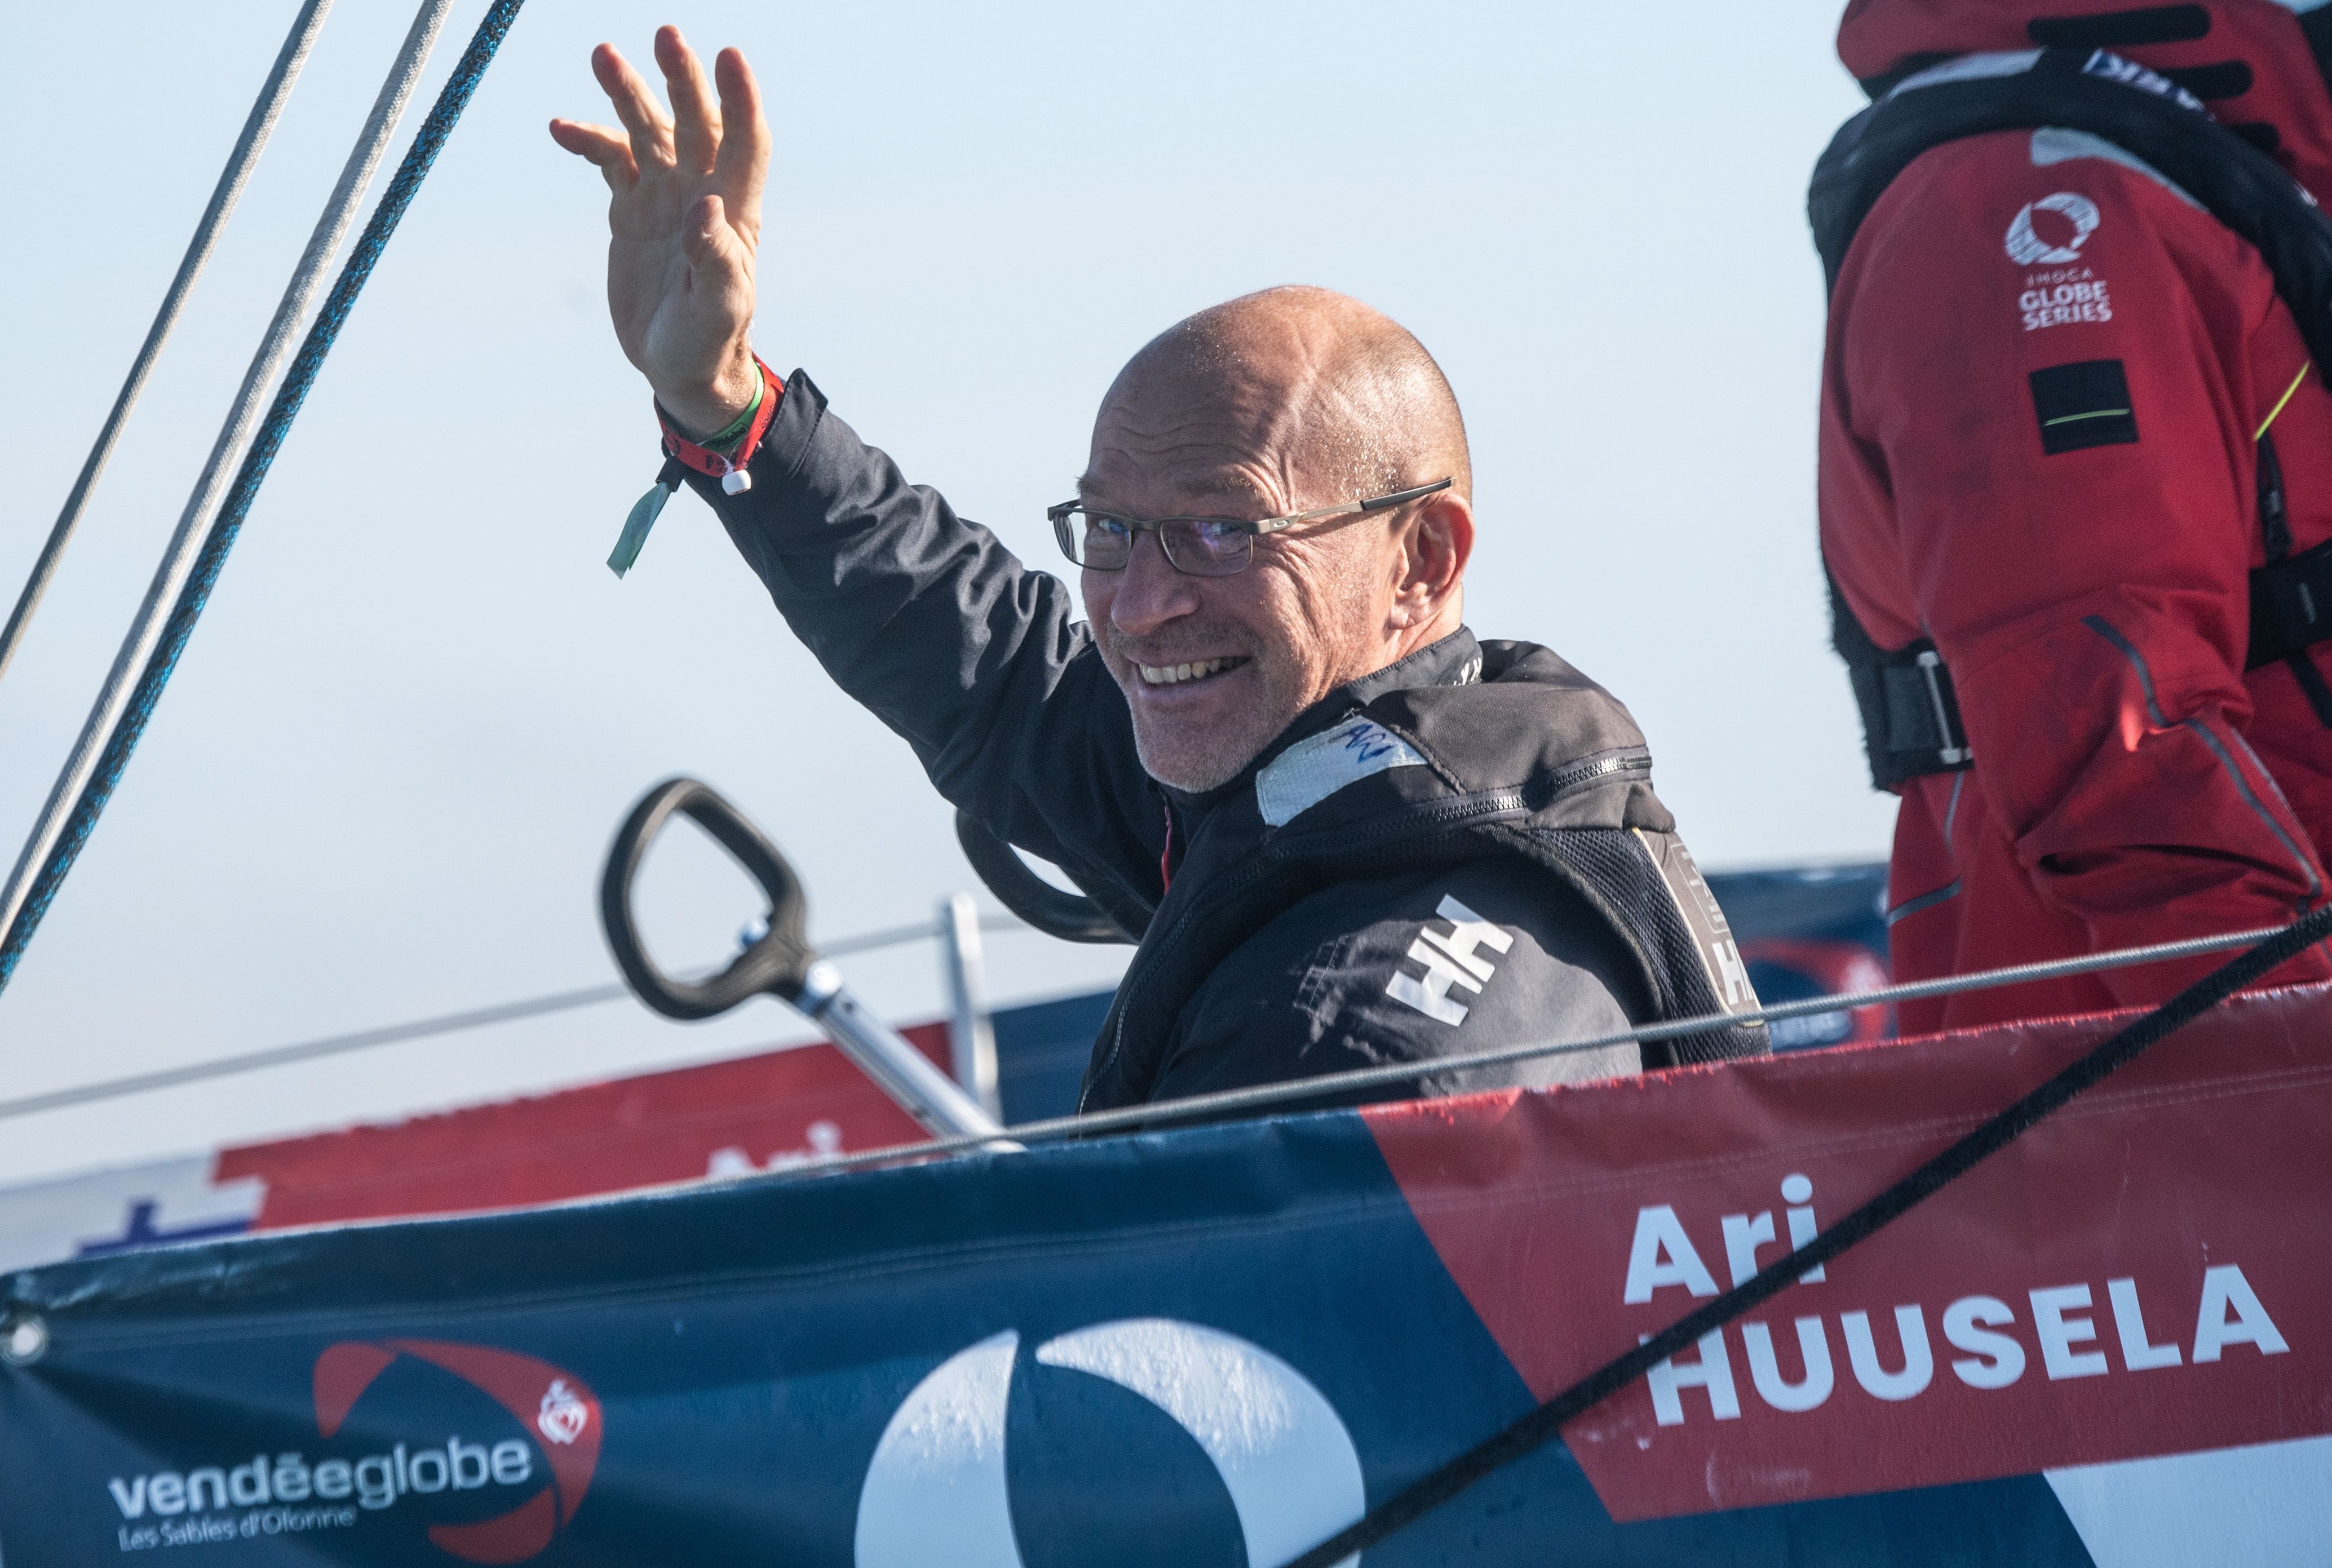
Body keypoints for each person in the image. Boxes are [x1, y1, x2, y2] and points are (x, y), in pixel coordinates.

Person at [553, 29, 1763, 1111]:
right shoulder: (1363, 786)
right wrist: (724, 410)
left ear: (1420, 558)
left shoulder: (1338, 1038)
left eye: (1221, 531)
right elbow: (997, 674)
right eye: (1108, 530)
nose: (1137, 608)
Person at [1816, 0, 2332, 1032]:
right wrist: (2309, 1052)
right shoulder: (2030, 203)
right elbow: (2108, 741)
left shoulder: (2208, 187)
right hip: (2165, 1106)